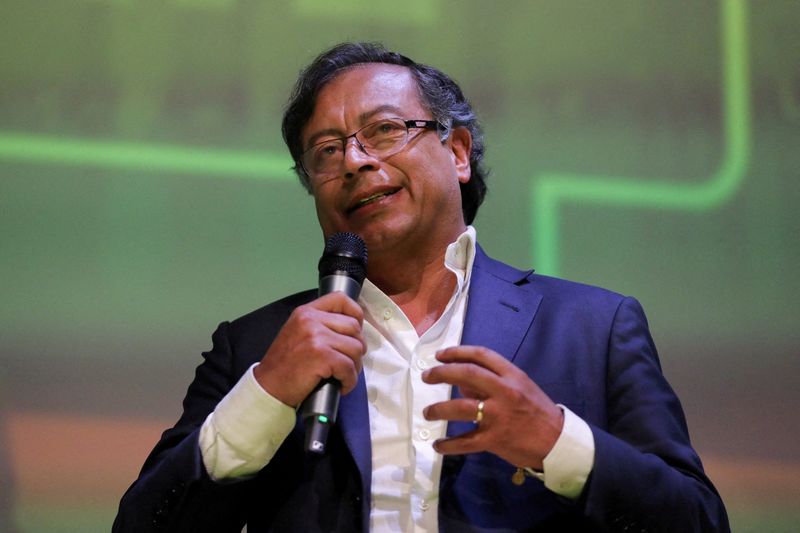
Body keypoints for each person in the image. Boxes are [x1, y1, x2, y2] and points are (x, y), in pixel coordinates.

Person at [113, 42, 730, 532]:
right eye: (326, 151)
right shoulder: (255, 347)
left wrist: (557, 443)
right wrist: (266, 398)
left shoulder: (593, 328)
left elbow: (698, 523)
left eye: (383, 130)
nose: (354, 161)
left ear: (457, 151)